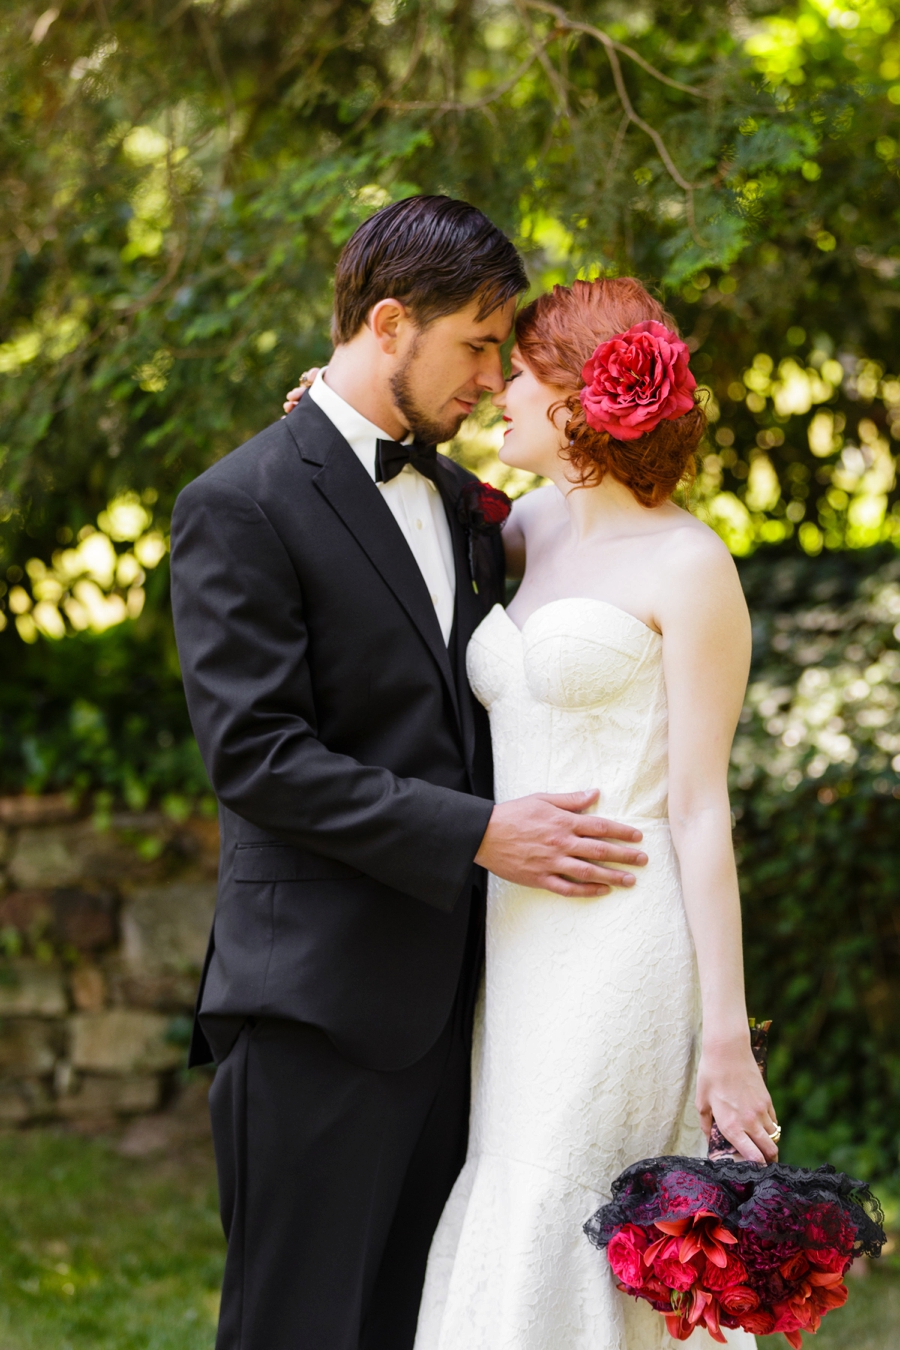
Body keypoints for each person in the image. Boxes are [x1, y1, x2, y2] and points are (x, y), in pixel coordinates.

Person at [170, 198, 646, 1350]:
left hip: (470, 1015)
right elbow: (259, 756)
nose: (491, 379)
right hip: (314, 1010)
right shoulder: (239, 505)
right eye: (477, 345)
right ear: (390, 322)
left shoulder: (466, 508)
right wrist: (479, 834)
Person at [410, 278, 779, 1350]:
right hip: (521, 938)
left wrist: (727, 1039)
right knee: (515, 1177)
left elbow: (704, 811)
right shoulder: (524, 530)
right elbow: (400, 504)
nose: (495, 390)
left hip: (626, 937)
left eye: (515, 369)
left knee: (576, 1194)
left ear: (578, 400)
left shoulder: (690, 564)